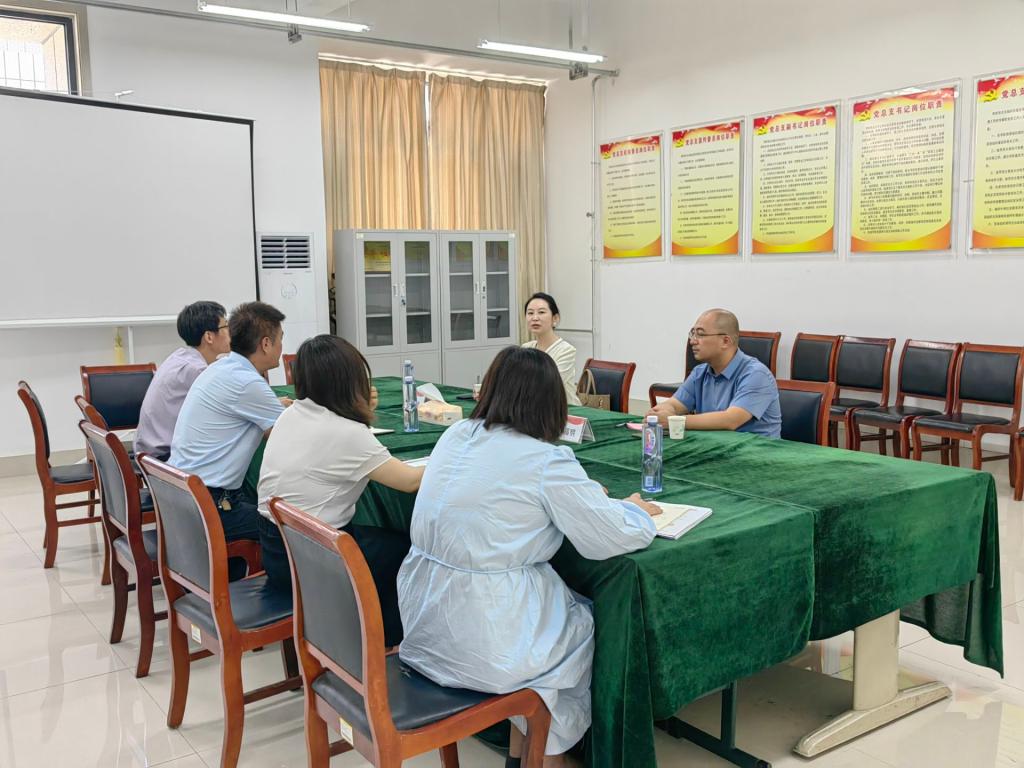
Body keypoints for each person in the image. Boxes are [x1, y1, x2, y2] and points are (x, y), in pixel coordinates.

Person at [397, 346, 659, 766]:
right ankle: (546, 757)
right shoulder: (545, 459)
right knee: (577, 633)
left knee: (547, 631)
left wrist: (581, 496)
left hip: (424, 622)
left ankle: (522, 754)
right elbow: (608, 537)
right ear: (551, 402)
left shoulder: (457, 434)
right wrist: (635, 511)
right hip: (486, 636)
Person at [257, 335, 422, 646]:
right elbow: (411, 481)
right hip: (317, 562)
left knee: (382, 541)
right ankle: (385, 641)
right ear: (349, 380)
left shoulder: (291, 414)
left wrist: (357, 411)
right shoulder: (346, 432)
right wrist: (453, 457)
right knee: (403, 549)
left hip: (278, 552)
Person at [169, 301, 290, 571]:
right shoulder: (247, 381)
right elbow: (289, 437)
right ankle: (284, 592)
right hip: (211, 506)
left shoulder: (221, 368)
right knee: (299, 529)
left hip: (183, 497)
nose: (282, 347)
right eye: (281, 339)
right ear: (266, 343)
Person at [647, 308, 782, 439]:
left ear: (725, 341)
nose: (692, 341)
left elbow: (731, 420)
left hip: (757, 450)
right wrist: (659, 412)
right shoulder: (699, 373)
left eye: (700, 334)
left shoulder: (757, 374)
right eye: (692, 334)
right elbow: (675, 404)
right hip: (716, 447)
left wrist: (673, 421)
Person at [134, 301, 230, 461]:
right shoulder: (196, 370)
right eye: (225, 326)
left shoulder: (180, 357)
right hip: (164, 458)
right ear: (209, 337)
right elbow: (227, 410)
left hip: (150, 453)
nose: (230, 332)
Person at [522, 292, 582, 407]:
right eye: (530, 313)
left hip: (564, 410)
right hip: (533, 408)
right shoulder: (525, 348)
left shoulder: (566, 350)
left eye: (541, 312)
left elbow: (549, 387)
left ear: (555, 318)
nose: (535, 318)